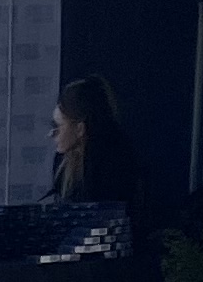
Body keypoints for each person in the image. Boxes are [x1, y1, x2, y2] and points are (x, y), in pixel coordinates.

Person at [50, 73, 143, 213]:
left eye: (58, 126)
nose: (51, 134)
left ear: (80, 129)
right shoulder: (63, 162)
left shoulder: (115, 165)